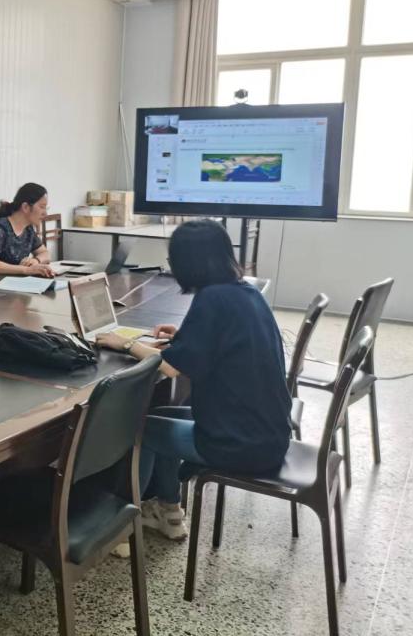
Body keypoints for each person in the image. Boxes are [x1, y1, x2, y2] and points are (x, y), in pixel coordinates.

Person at [96, 219, 290, 545]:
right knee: (161, 415)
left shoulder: (212, 299)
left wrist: (124, 343)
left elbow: (170, 367)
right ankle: (169, 513)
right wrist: (183, 336)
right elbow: (221, 343)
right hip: (268, 432)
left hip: (240, 444)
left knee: (141, 429)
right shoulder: (246, 292)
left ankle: (122, 527)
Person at [0, 182, 54, 277]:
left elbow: (45, 253)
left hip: (11, 282)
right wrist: (27, 270)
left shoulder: (28, 229)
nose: (45, 213)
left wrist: (36, 260)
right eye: (42, 207)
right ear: (25, 207)